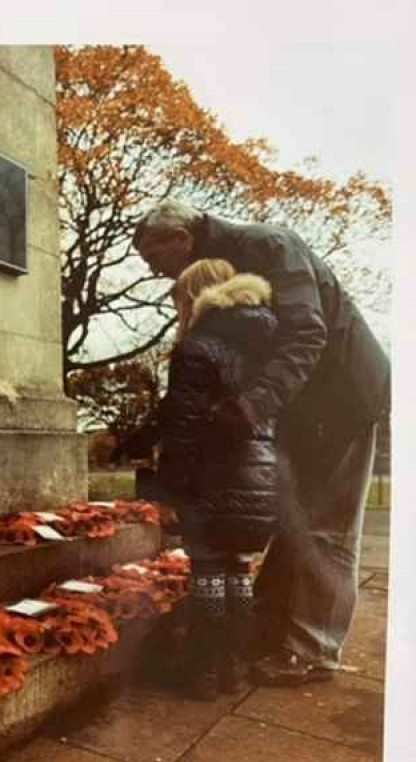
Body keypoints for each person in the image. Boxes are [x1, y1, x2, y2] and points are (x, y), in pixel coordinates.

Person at [132, 201, 390, 686]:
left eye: (153, 256)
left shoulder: (267, 244)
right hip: (295, 408)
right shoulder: (230, 265)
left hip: (344, 399)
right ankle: (269, 634)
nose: (153, 270)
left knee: (326, 529)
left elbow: (307, 332)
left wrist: (252, 405)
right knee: (291, 522)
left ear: (181, 237)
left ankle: (312, 650)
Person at [158, 259, 279, 699]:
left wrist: (168, 489)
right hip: (259, 474)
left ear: (192, 298)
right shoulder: (266, 343)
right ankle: (232, 669)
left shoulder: (197, 347)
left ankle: (202, 672)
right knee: (238, 570)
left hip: (211, 475)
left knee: (208, 569)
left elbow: (183, 425)